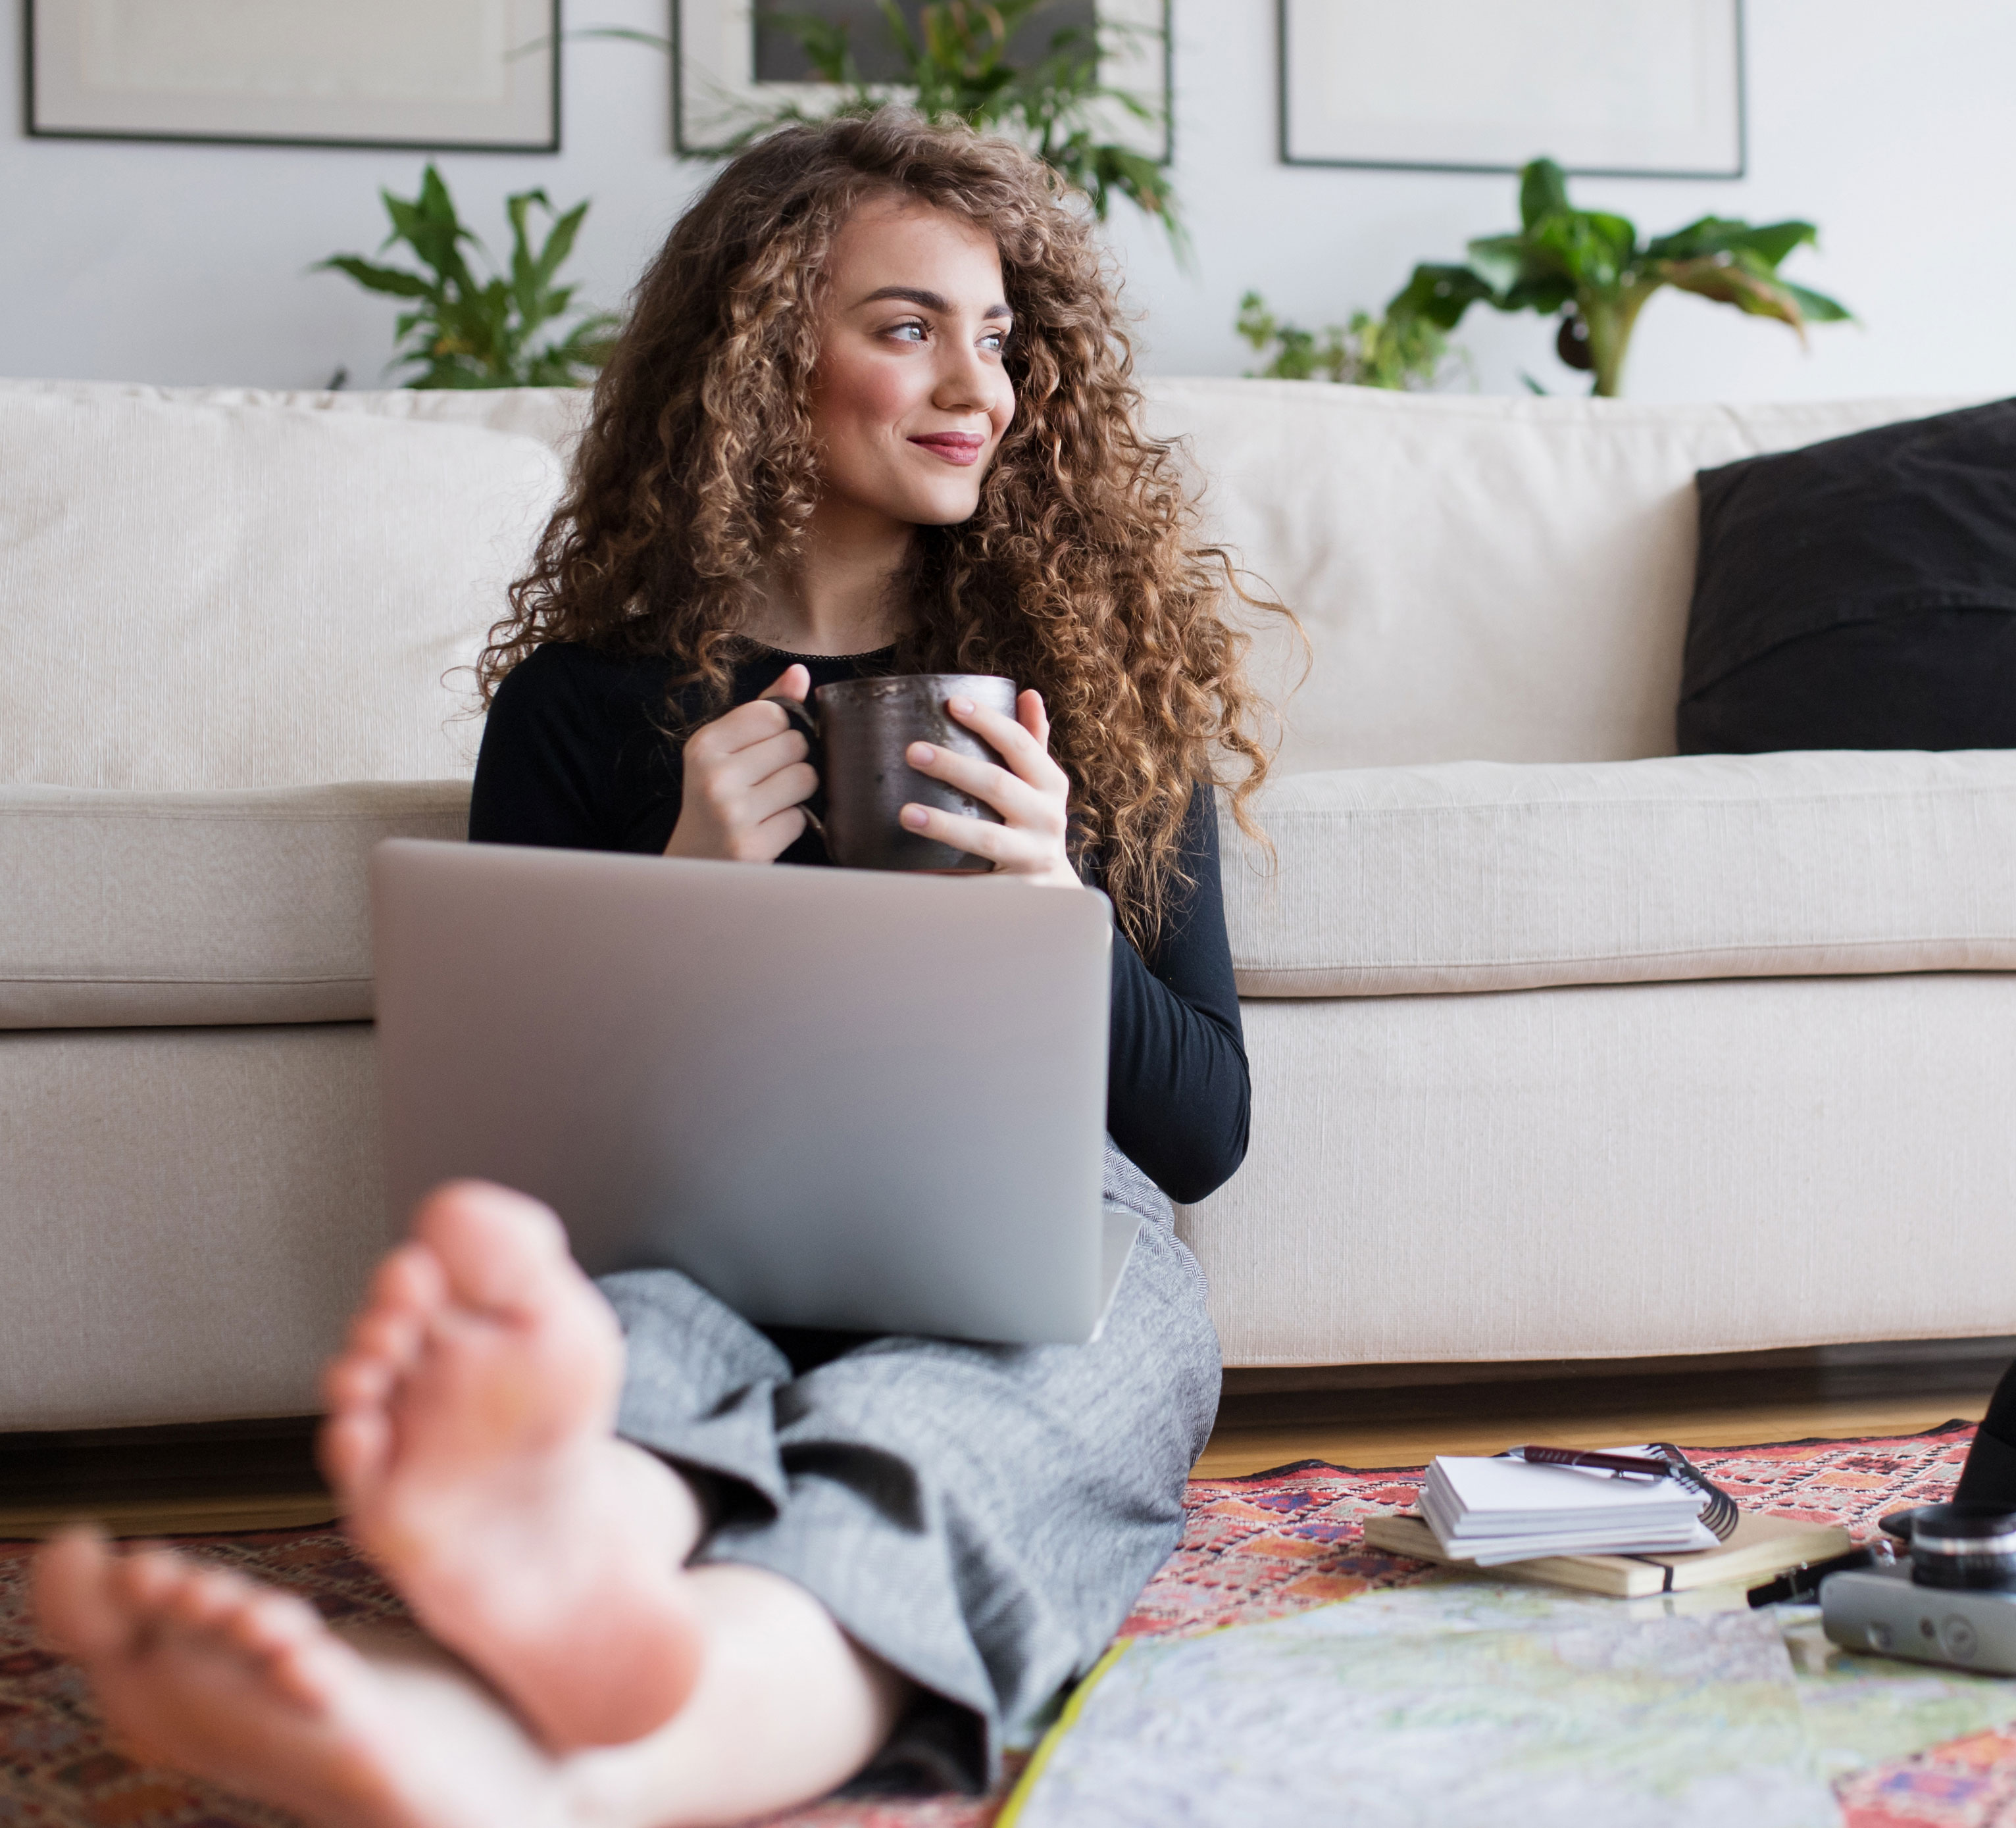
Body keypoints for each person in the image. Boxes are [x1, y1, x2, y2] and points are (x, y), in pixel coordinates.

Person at [33, 109, 1279, 1827]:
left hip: (1038, 1241)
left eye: (997, 337)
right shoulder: (583, 706)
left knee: (1015, 1392)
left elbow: (1200, 1129)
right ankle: (581, 1563)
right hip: (690, 1247)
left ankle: (556, 1745)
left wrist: (1048, 891)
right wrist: (684, 882)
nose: (976, 384)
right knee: (610, 1341)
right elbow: (525, 1168)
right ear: (767, 357)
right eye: (906, 326)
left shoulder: (1086, 692)